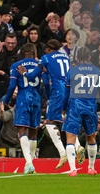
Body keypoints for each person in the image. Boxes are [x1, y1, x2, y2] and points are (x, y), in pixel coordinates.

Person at [22, 39, 72, 169]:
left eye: (46, 49)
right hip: (69, 90)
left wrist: (24, 73)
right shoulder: (66, 58)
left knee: (49, 122)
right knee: (66, 121)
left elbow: (33, 75)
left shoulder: (46, 57)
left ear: (49, 49)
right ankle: (77, 147)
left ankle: (62, 153)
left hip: (58, 91)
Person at [61, 46, 100, 176]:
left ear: (76, 57)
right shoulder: (97, 71)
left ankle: (73, 170)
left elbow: (66, 94)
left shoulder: (72, 71)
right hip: (91, 107)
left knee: (70, 138)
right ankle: (91, 168)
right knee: (91, 137)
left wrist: (63, 111)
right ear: (90, 57)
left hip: (75, 106)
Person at [3, 43, 43, 174]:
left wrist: (6, 100)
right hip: (36, 99)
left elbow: (11, 86)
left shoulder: (16, 66)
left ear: (22, 52)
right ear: (35, 53)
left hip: (23, 100)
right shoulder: (39, 66)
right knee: (33, 132)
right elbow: (46, 83)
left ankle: (29, 163)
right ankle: (32, 162)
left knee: (22, 132)